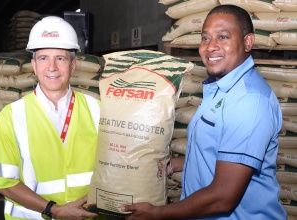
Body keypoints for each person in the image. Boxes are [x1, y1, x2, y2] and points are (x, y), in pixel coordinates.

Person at [121, 5, 287, 219]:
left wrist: (157, 214)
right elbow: (214, 152)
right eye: (205, 38)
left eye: (223, 37)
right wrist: (171, 166)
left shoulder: (248, 101)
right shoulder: (220, 90)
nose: (211, 47)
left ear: (248, 42)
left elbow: (223, 197)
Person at [0, 16, 102, 220]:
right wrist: (54, 210)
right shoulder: (12, 116)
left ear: (73, 65)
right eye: (44, 58)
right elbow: (1, 181)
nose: (52, 67)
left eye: (60, 58)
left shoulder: (96, 109)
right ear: (34, 66)